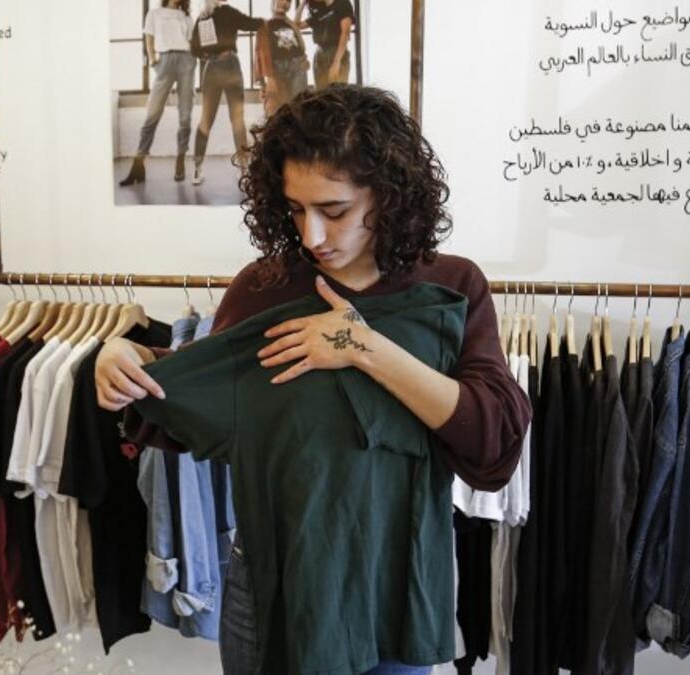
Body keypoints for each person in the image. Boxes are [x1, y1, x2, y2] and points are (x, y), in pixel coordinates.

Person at [95, 85, 532, 674]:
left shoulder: (449, 289)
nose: (311, 236)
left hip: (395, 584)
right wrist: (128, 365)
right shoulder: (264, 288)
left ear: (389, 192)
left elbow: (493, 443)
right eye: (296, 209)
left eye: (334, 210)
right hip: (278, 584)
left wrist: (364, 348)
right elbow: (201, 412)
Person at [188, 0, 264, 185]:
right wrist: (264, 21)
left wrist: (209, 55)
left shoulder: (203, 17)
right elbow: (251, 23)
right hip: (229, 65)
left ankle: (198, 169)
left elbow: (194, 48)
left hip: (212, 67)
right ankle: (243, 169)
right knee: (235, 120)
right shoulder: (226, 11)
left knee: (208, 120)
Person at [121, 0, 196, 186]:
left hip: (186, 61)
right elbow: (149, 38)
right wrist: (154, 61)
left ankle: (180, 160)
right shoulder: (154, 13)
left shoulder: (186, 17)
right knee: (152, 115)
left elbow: (192, 42)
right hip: (164, 61)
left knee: (185, 117)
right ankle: (138, 165)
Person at [262, 0, 309, 114]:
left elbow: (300, 44)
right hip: (277, 69)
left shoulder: (291, 24)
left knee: (299, 106)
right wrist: (269, 78)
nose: (285, 3)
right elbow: (262, 55)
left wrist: (304, 58)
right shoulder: (266, 25)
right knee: (275, 109)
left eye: (289, 1)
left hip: (298, 67)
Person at [297, 0, 355, 90]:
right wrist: (302, 4)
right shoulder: (319, 11)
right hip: (320, 54)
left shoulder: (342, 3)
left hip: (337, 52)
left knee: (338, 93)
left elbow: (345, 33)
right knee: (320, 95)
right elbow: (296, 26)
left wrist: (336, 62)